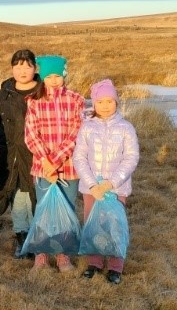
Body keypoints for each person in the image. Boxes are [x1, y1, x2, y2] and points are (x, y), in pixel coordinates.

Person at [73, 79, 139, 285]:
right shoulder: (87, 127)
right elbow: (79, 157)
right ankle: (94, 262)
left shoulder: (126, 128)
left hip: (115, 189)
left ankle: (115, 266)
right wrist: (93, 184)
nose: (105, 106)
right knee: (94, 225)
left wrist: (111, 183)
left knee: (113, 225)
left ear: (116, 102)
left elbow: (131, 158)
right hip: (92, 189)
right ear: (94, 103)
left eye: (109, 101)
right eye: (100, 102)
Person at [24, 54, 85, 272]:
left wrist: (56, 160)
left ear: (64, 75)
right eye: (49, 76)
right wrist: (46, 162)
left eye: (57, 76)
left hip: (68, 168)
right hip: (43, 168)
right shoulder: (34, 101)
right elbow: (31, 135)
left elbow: (77, 133)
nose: (54, 80)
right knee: (44, 210)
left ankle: (63, 254)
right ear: (42, 77)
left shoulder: (76, 100)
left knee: (66, 209)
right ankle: (41, 254)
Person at [0, 49, 41, 259]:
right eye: (17, 65)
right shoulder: (3, 95)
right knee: (18, 199)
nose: (22, 70)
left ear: (35, 68)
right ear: (12, 68)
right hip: (11, 156)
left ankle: (38, 241)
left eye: (27, 65)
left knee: (36, 197)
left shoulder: (42, 93)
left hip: (37, 156)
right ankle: (22, 238)